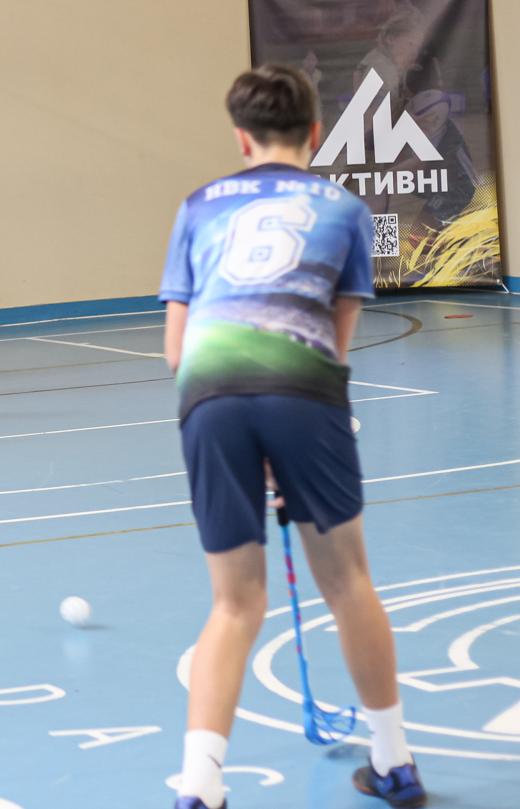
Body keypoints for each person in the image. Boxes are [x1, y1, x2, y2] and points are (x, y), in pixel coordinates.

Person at [160, 65, 424, 809]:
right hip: (303, 389)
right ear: (314, 132)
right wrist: (288, 445)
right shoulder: (344, 209)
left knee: (234, 603)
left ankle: (200, 785)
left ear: (241, 139)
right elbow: (334, 345)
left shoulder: (198, 205)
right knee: (348, 582)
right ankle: (394, 762)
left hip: (208, 391)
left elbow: (176, 350)